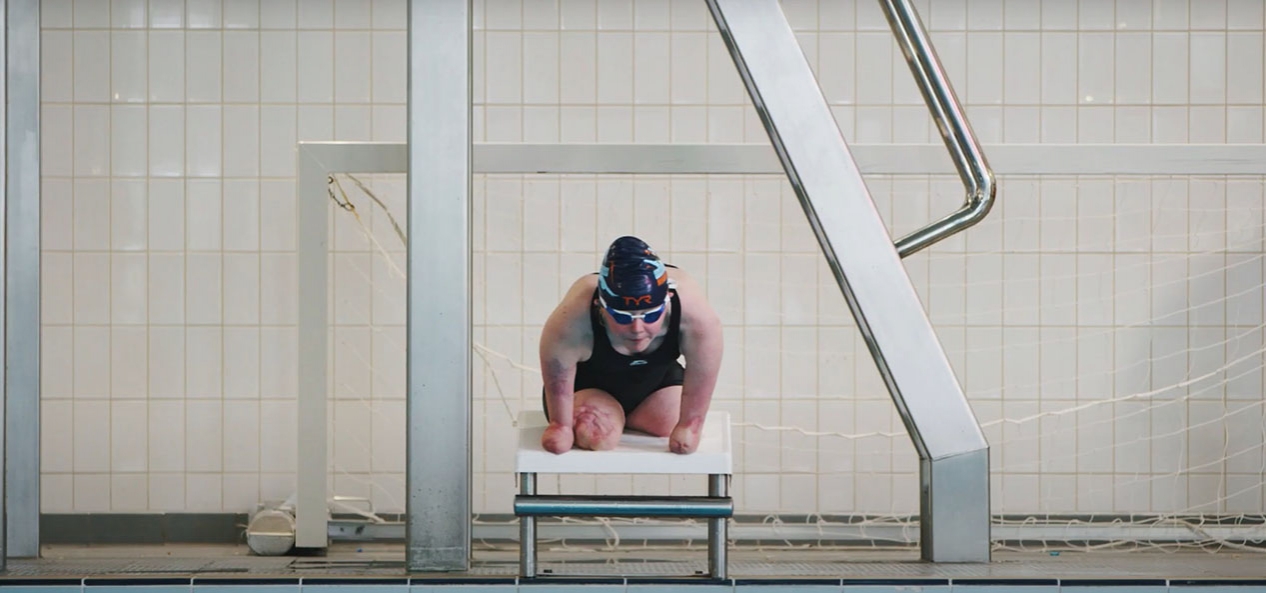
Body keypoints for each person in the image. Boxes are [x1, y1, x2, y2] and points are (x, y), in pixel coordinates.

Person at [538, 235, 723, 455]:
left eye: (650, 315)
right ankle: (614, 415)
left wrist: (689, 426)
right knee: (596, 434)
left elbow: (701, 378)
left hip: (656, 383)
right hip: (588, 385)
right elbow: (558, 384)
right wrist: (561, 425)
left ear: (668, 300)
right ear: (600, 306)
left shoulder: (695, 315)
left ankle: (627, 418)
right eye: (623, 317)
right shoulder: (573, 316)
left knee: (671, 423)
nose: (637, 328)